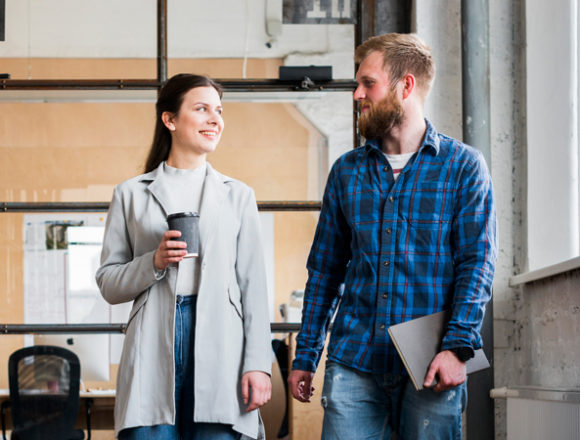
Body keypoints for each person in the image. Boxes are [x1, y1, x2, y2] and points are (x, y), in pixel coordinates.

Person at [288, 33, 497, 439]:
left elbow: (478, 264)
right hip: (353, 363)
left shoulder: (464, 167)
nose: (356, 95)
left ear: (406, 86)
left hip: (431, 362)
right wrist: (307, 354)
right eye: (357, 84)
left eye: (368, 83)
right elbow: (325, 271)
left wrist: (457, 349)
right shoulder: (346, 171)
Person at [96, 73, 272, 440]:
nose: (215, 119)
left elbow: (253, 287)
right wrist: (153, 262)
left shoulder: (238, 195)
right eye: (201, 109)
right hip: (153, 340)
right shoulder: (130, 194)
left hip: (223, 341)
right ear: (170, 119)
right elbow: (109, 283)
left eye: (219, 111)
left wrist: (258, 365)